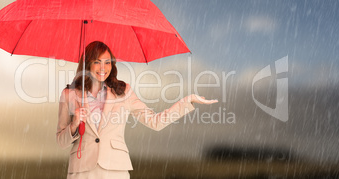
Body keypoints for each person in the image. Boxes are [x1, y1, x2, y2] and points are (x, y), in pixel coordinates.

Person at [56, 41, 218, 179]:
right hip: (81, 170)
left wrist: (186, 101)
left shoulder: (123, 91)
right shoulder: (69, 94)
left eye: (107, 62)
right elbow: (61, 142)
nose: (103, 67)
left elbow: (155, 122)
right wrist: (74, 124)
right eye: (97, 62)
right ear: (87, 63)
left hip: (115, 170)